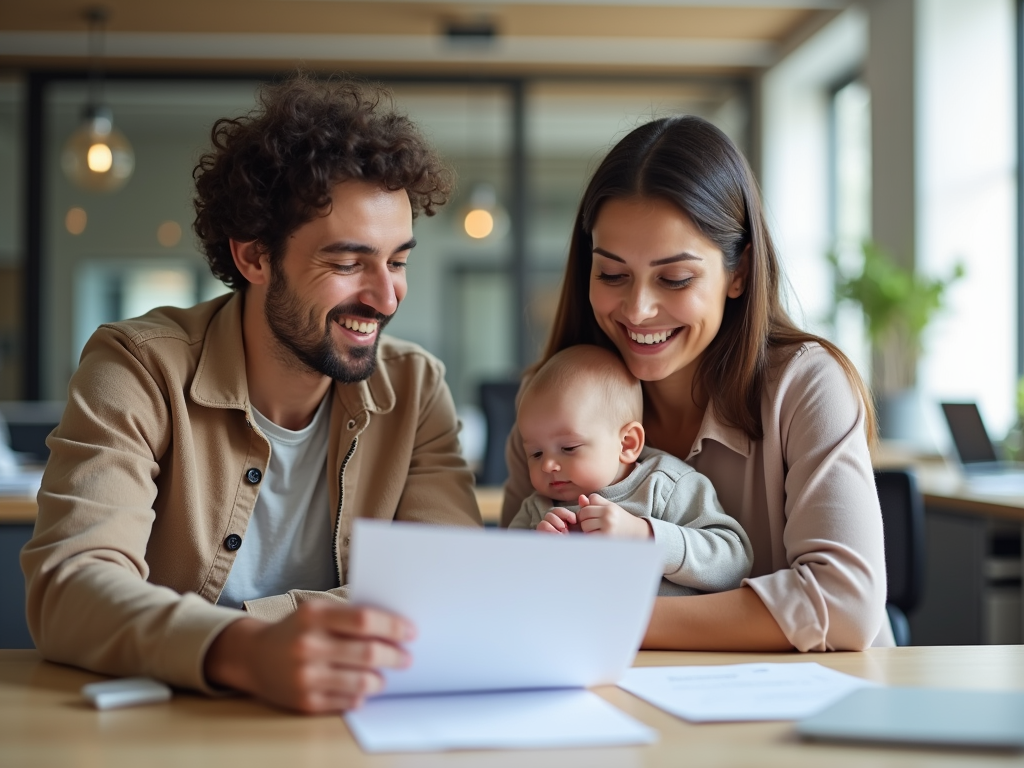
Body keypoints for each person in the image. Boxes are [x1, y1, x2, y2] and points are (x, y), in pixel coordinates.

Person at [21, 76, 482, 714]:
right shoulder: (137, 365)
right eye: (349, 263)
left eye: (397, 260)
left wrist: (258, 627)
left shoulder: (415, 385)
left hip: (357, 723)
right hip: (173, 727)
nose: (386, 297)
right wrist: (245, 650)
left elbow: (451, 590)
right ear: (254, 257)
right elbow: (70, 589)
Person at [501, 115, 891, 652]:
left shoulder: (805, 384)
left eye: (675, 278)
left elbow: (843, 608)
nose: (637, 309)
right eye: (612, 274)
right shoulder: (549, 407)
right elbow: (519, 591)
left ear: (739, 272)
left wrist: (618, 621)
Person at [508, 344, 752, 596]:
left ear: (627, 443)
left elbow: (734, 564)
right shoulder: (536, 509)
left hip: (668, 633)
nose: (547, 465)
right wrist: (537, 552)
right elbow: (503, 581)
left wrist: (643, 535)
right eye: (536, 454)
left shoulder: (664, 487)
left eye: (569, 448)